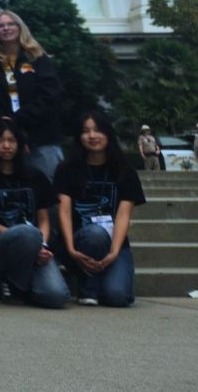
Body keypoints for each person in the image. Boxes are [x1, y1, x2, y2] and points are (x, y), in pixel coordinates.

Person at [0, 119, 69, 308]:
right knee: (27, 233)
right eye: (0, 141)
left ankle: (15, 283)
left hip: (37, 246)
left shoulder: (36, 177)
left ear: (20, 144)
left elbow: (43, 219)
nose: (6, 146)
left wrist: (42, 245)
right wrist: (25, 237)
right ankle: (12, 279)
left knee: (56, 296)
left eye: (12, 140)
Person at [57, 111, 145, 307]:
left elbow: (123, 215)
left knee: (118, 297)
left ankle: (100, 281)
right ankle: (88, 288)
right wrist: (70, 249)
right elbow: (63, 210)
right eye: (86, 131)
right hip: (80, 242)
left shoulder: (125, 171)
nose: (92, 136)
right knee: (95, 234)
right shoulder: (67, 169)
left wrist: (114, 253)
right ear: (79, 137)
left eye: (97, 130)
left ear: (108, 134)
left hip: (114, 243)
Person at [0, 9, 64, 179]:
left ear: (20, 27)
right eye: (0, 25)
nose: (6, 28)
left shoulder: (38, 58)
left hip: (41, 137)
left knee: (48, 191)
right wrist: (8, 130)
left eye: (11, 24)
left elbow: (49, 96)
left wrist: (17, 121)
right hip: (4, 139)